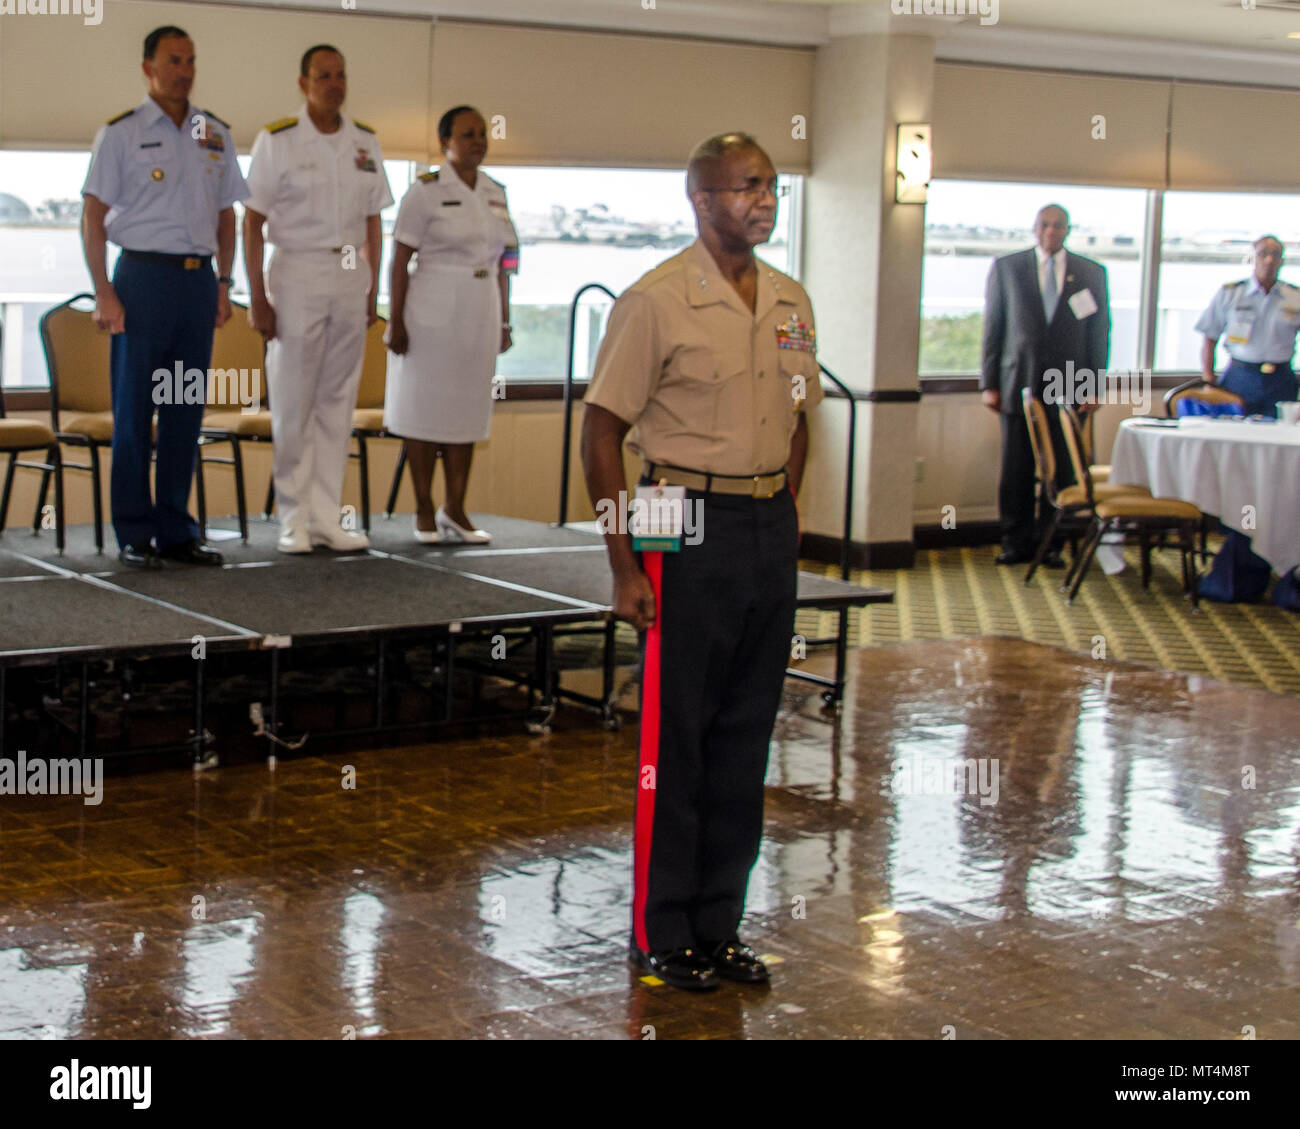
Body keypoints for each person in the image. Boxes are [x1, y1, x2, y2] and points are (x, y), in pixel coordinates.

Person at [581, 132, 822, 991]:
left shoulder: (791, 300)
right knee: (674, 736)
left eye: (770, 187)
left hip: (763, 522)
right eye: (747, 186)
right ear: (702, 199)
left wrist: (783, 508)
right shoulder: (655, 301)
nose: (763, 200)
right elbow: (601, 428)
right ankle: (662, 928)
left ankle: (719, 923)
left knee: (745, 733)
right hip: (675, 509)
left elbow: (801, 418)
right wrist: (623, 564)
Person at [81, 25, 247, 569]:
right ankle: (134, 532)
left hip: (196, 284)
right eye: (174, 60)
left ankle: (177, 529)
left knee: (183, 409)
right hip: (142, 282)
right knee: (135, 412)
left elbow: (228, 217)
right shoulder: (121, 134)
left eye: (191, 60)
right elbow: (93, 217)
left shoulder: (215, 133)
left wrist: (224, 283)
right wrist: (104, 292)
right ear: (148, 67)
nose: (185, 70)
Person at [243, 44, 393, 554]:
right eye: (324, 76)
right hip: (299, 269)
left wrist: (373, 288)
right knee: (293, 400)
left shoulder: (364, 141)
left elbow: (374, 219)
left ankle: (328, 517)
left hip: (350, 271)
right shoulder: (278, 140)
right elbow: (252, 221)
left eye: (341, 75)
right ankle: (292, 518)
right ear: (303, 83)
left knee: (337, 401)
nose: (335, 84)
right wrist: (256, 296)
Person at [383, 105, 517, 544]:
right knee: (424, 411)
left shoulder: (496, 192)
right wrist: (395, 321)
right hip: (432, 308)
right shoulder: (424, 191)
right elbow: (399, 258)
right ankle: (423, 507)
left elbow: (506, 261)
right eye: (467, 134)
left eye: (482, 133)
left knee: (467, 411)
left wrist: (506, 319)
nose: (477, 140)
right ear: (445, 143)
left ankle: (455, 509)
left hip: (480, 306)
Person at [981, 204, 1110, 567]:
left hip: (1070, 383)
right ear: (1035, 229)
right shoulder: (1009, 268)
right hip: (1018, 381)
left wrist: (1094, 384)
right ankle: (1015, 541)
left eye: (1058, 226)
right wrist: (989, 383)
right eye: (1044, 225)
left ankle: (1050, 542)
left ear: (1068, 230)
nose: (1051, 232)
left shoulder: (1091, 272)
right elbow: (994, 327)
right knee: (1017, 466)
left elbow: (1099, 333)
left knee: (1064, 467)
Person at [1195, 235, 1300, 417]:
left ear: (1281, 261)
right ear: (1253, 258)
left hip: (1281, 377)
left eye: (1275, 255)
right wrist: (1208, 379)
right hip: (1240, 375)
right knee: (1234, 433)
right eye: (1263, 254)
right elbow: (1210, 337)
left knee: (1279, 435)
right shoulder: (1231, 293)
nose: (1269, 260)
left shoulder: (1294, 297)